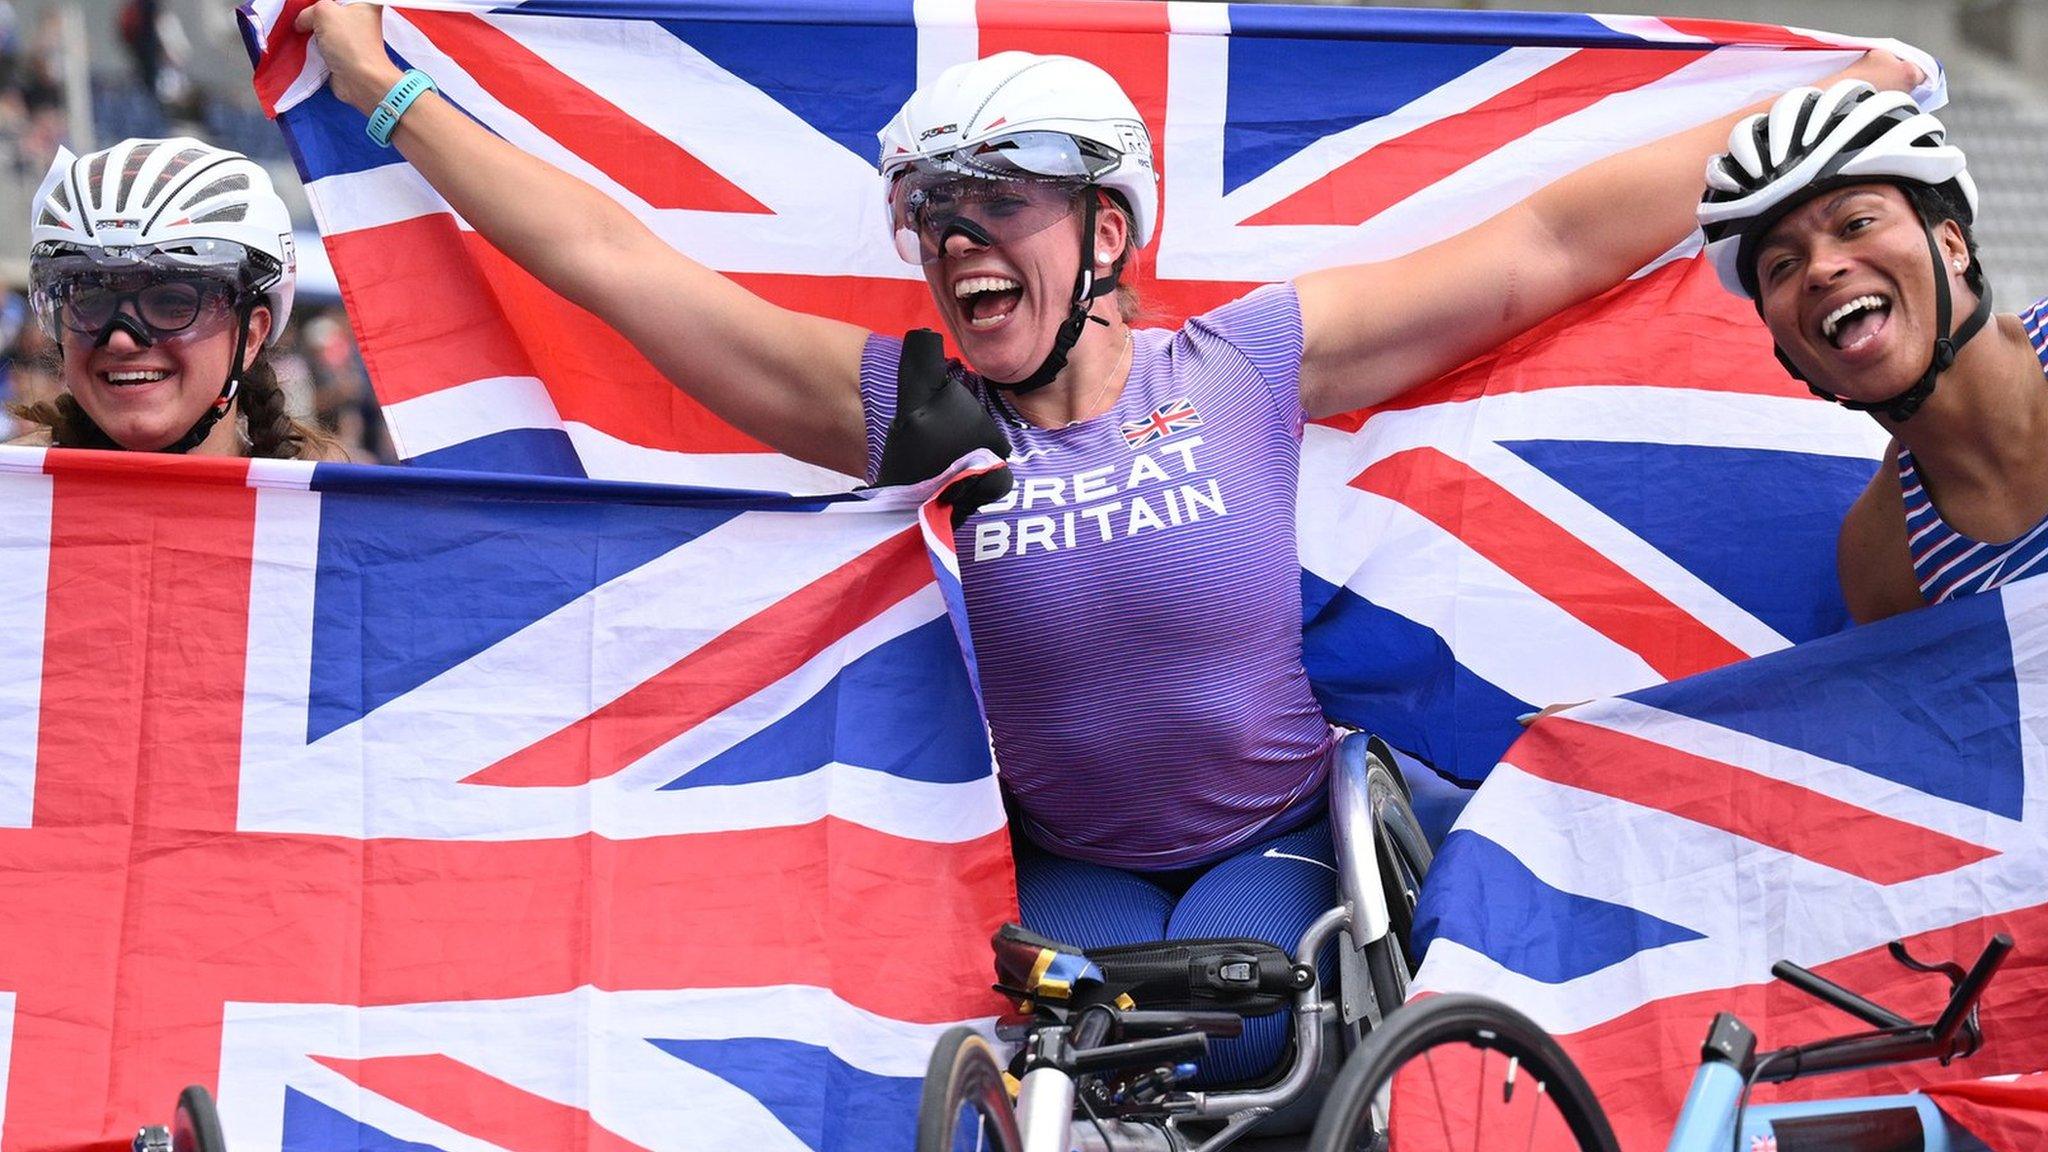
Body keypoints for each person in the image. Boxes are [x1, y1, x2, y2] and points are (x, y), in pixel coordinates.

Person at [299, 0, 1911, 1082]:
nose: (954, 239)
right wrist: (385, 86)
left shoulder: (1247, 365)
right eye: (934, 212)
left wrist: (1807, 123)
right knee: (1057, 1079)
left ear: (1111, 234)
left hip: (1278, 841)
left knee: (1240, 1054)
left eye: (999, 201)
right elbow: (619, 269)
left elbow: (1545, 244)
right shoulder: (915, 411)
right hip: (1054, 861)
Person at [1697, 81, 2042, 623]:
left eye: (1856, 224)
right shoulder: (1884, 558)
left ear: (1951, 245)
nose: (1820, 269)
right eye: (1781, 267)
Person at [7, 136, 344, 460]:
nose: (122, 339)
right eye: (92, 301)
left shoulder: (323, 512)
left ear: (250, 335)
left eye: (171, 304)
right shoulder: (15, 498)